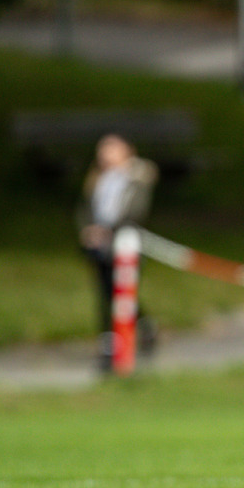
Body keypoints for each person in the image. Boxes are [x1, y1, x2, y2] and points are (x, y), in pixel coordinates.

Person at [77, 133, 159, 372]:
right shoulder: (98, 179)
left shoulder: (137, 177)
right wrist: (89, 231)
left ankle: (138, 330)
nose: (105, 154)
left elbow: (135, 211)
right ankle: (111, 342)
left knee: (123, 293)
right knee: (106, 293)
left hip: (125, 243)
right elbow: (86, 208)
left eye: (111, 148)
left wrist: (109, 230)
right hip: (99, 244)